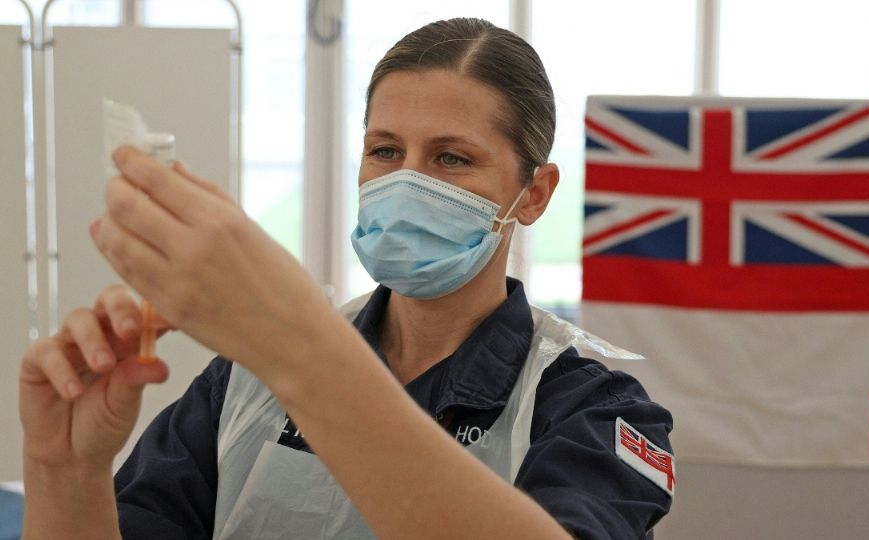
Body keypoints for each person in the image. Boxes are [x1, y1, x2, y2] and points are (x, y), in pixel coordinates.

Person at [19, 17, 674, 540]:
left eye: (451, 158)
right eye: (385, 150)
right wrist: (64, 470)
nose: (406, 182)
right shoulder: (246, 383)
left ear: (533, 194)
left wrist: (297, 346)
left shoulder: (592, 408)